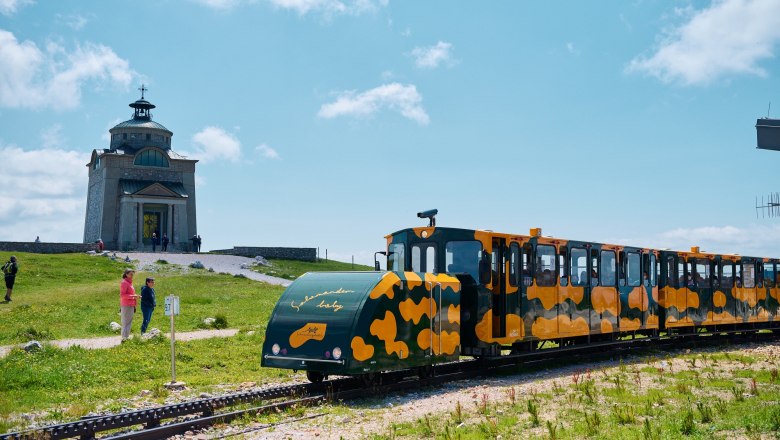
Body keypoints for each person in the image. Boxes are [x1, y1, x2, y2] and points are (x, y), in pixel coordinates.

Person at [119, 269, 140, 341]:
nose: (132, 276)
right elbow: (122, 295)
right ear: (126, 274)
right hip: (126, 304)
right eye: (131, 274)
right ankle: (124, 338)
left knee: (129, 321)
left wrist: (135, 296)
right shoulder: (124, 283)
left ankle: (126, 337)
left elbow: (130, 294)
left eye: (132, 274)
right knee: (125, 321)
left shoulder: (129, 283)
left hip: (131, 304)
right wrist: (134, 296)